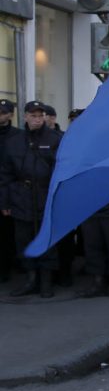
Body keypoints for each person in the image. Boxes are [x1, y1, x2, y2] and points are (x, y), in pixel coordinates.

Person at [2, 101, 61, 298]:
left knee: (46, 240)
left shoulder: (55, 139)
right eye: (33, 116)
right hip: (21, 198)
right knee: (24, 241)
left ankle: (46, 282)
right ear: (25, 117)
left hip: (46, 196)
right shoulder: (15, 141)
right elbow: (6, 174)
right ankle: (30, 279)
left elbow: (60, 170)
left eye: (40, 115)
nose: (37, 119)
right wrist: (6, 202)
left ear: (45, 117)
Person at [0, 99, 20, 285]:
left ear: (10, 115)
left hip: (9, 189)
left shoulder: (17, 136)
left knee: (8, 233)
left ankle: (7, 267)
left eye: (3, 112)